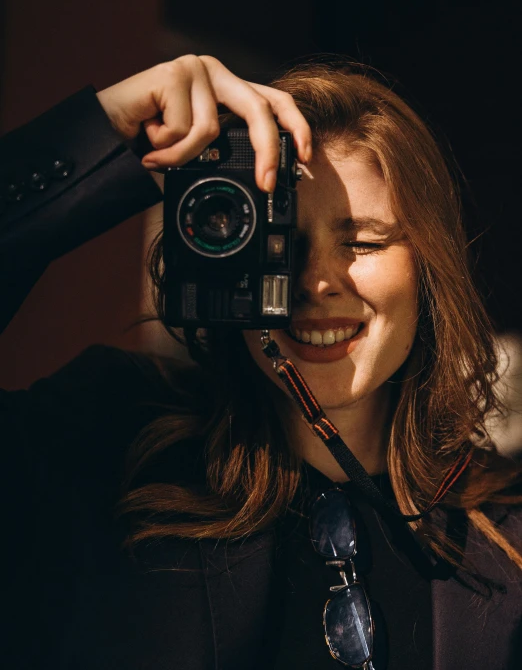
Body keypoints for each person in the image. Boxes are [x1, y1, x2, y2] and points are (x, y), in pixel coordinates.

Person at [1, 54, 521, 670]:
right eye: (279, 240)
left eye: (363, 241)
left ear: (429, 269)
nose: (317, 281)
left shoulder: (507, 522)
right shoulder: (102, 438)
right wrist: (100, 134)